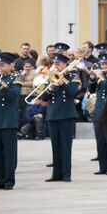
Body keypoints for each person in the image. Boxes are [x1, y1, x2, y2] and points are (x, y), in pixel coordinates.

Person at [41, 53, 81, 182]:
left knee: (65, 146)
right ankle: (56, 174)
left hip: (66, 114)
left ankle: (66, 174)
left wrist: (62, 80)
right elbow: (44, 98)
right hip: (52, 114)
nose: (56, 66)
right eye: (55, 64)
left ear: (65, 64)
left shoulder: (72, 76)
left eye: (58, 64)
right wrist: (51, 87)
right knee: (55, 146)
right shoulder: (51, 77)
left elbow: (73, 92)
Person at [0, 52, 22, 190]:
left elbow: (12, 96)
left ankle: (9, 181)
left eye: (2, 65)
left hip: (8, 119)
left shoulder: (15, 78)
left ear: (11, 65)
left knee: (9, 152)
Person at [89, 53, 107, 175]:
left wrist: (101, 78)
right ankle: (102, 167)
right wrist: (92, 79)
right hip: (98, 112)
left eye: (106, 64)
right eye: (102, 64)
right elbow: (92, 90)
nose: (104, 66)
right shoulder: (102, 77)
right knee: (100, 141)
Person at [18, 60, 36, 130]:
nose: (27, 68)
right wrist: (22, 75)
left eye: (29, 66)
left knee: (30, 112)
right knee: (23, 112)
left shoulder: (35, 73)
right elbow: (17, 82)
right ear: (23, 67)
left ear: (31, 67)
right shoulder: (21, 74)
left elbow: (34, 83)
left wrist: (23, 84)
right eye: (26, 66)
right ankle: (23, 129)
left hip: (32, 95)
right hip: (22, 95)